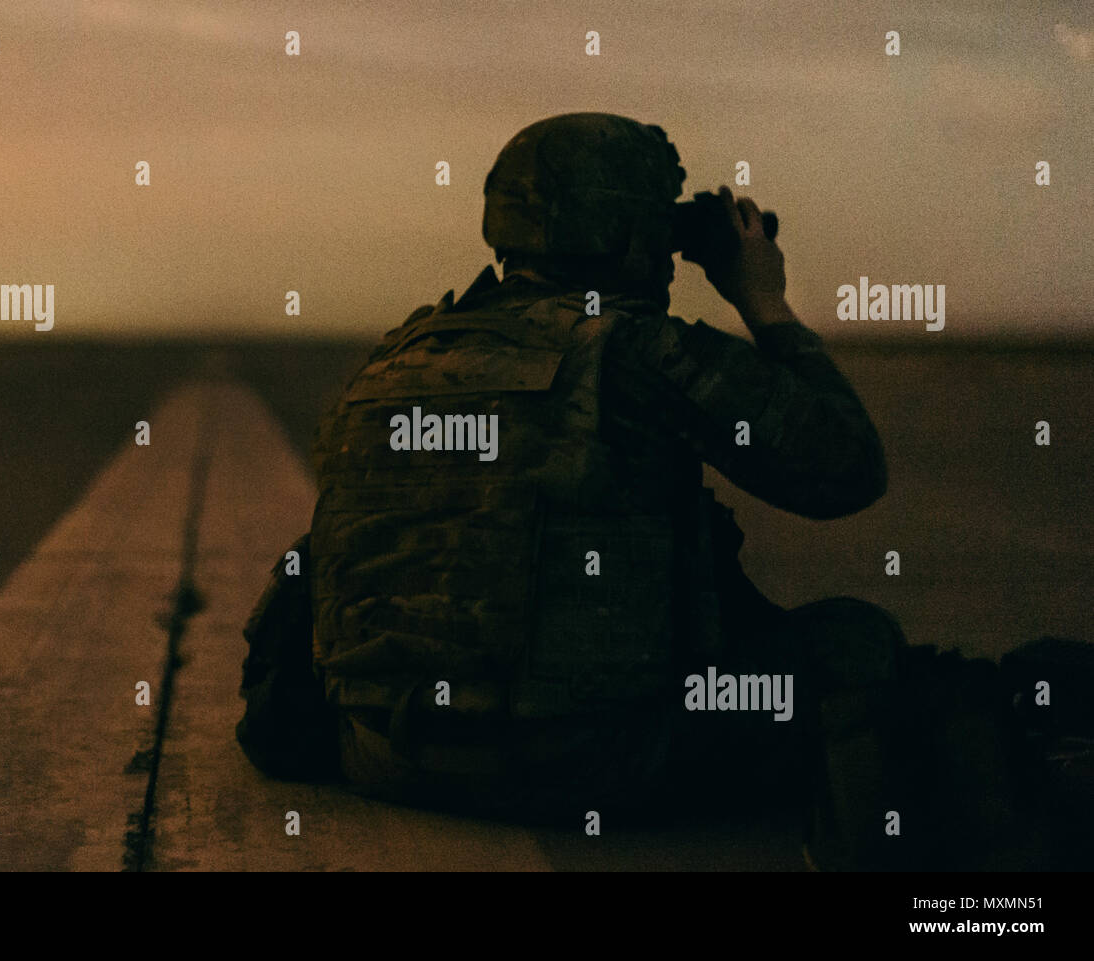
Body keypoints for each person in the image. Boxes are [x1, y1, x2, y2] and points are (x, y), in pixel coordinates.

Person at [238, 112, 1089, 871]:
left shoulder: (392, 360)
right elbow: (844, 469)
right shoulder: (639, 354)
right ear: (635, 233)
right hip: (593, 762)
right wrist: (764, 303)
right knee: (857, 641)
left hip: (384, 754)